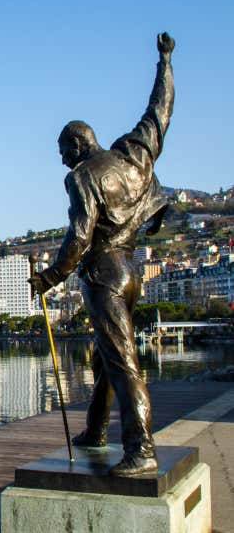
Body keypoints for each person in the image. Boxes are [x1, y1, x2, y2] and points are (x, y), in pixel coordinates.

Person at [28, 32, 175, 477]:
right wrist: (164, 62)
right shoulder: (133, 156)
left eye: (61, 153)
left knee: (122, 361)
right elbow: (159, 110)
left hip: (104, 274)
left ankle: (141, 449)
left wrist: (50, 278)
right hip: (131, 270)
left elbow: (79, 236)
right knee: (102, 359)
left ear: (76, 145)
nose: (61, 162)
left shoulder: (82, 177)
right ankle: (96, 430)